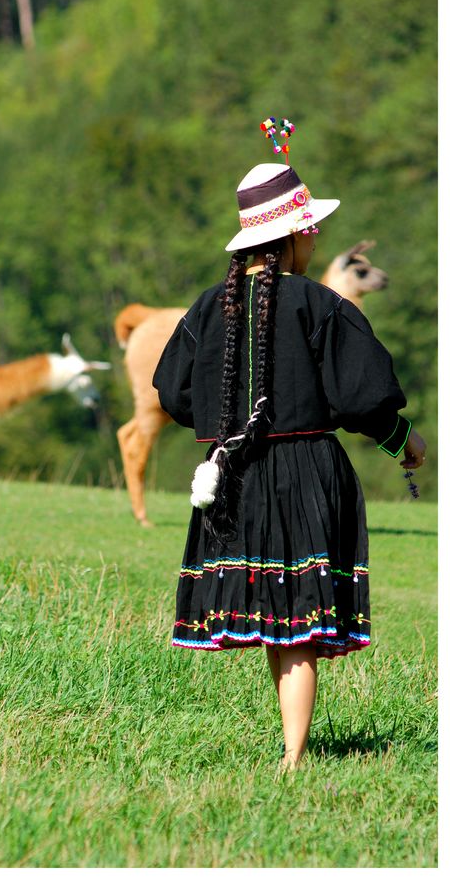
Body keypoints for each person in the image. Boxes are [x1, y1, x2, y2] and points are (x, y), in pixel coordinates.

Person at [152, 158, 426, 771]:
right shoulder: (318, 305)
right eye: (310, 229)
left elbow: (172, 392)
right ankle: (294, 759)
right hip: (305, 474)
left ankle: (291, 754)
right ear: (291, 236)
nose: (317, 238)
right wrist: (402, 440)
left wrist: (226, 430)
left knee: (277, 619)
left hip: (234, 480)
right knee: (298, 623)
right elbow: (363, 396)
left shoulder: (206, 308)